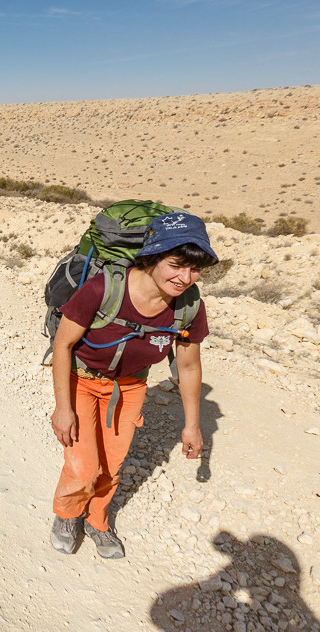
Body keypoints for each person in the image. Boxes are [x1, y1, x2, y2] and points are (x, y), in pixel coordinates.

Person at [48, 213, 217, 560]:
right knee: (83, 467)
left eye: (195, 270)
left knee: (112, 464)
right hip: (81, 381)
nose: (185, 278)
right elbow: (62, 346)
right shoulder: (103, 289)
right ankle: (67, 516)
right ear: (153, 257)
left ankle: (97, 519)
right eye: (176, 265)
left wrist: (192, 425)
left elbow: (187, 366)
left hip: (129, 389)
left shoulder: (188, 306)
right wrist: (62, 408)